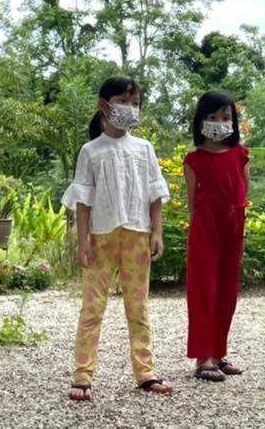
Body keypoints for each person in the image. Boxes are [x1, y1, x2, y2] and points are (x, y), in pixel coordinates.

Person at [62, 77, 173, 401]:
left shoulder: (144, 149)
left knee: (138, 308)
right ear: (104, 106)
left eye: (135, 103)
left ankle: (145, 373)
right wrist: (83, 240)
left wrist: (157, 232)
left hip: (137, 235)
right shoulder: (90, 151)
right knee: (92, 308)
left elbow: (155, 193)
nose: (130, 109)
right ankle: (82, 374)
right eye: (123, 102)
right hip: (101, 238)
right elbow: (83, 200)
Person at [184, 91, 250, 382]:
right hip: (205, 227)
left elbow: (244, 189)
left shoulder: (241, 154)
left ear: (233, 121)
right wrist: (201, 228)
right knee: (204, 290)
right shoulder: (193, 160)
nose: (220, 123)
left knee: (227, 290)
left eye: (226, 117)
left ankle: (219, 353)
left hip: (233, 226)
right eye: (213, 117)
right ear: (201, 120)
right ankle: (203, 357)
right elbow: (192, 204)